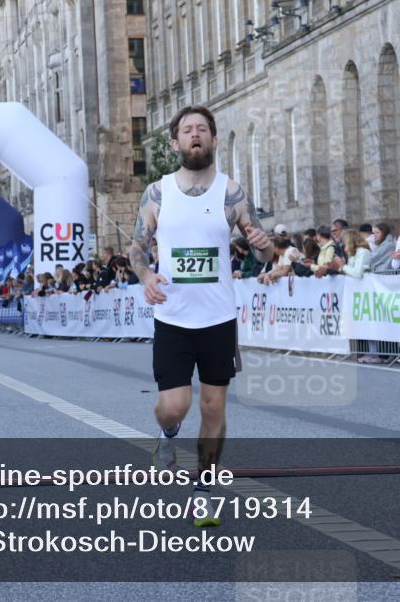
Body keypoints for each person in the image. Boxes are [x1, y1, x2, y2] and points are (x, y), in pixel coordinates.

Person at [130, 105, 273, 526]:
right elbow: (138, 246)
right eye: (187, 130)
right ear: (175, 143)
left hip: (218, 318)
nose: (195, 135)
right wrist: (145, 275)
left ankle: (203, 490)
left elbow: (262, 248)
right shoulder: (157, 193)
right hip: (173, 317)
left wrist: (264, 245)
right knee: (174, 406)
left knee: (213, 408)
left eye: (202, 129)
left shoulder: (232, 193)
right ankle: (167, 434)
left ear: (212, 139)